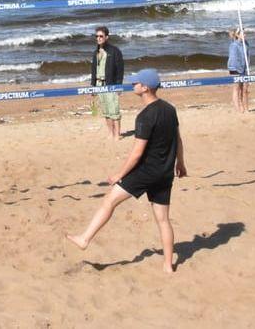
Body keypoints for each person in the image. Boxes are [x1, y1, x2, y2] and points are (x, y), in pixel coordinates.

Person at [65, 68, 186, 274]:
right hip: (165, 173)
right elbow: (178, 138)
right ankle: (167, 265)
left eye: (136, 82)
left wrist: (120, 175)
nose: (133, 84)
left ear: (145, 87)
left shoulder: (145, 116)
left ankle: (85, 239)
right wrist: (180, 163)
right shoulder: (169, 109)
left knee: (109, 200)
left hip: (146, 172)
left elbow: (137, 153)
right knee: (163, 220)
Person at [90, 27, 124, 140]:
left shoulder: (115, 51)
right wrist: (93, 86)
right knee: (105, 110)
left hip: (111, 84)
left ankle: (117, 133)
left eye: (101, 36)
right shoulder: (96, 52)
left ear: (106, 37)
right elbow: (93, 70)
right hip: (99, 84)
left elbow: (120, 69)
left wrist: (119, 85)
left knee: (114, 109)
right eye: (97, 36)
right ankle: (110, 132)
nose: (98, 38)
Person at [227, 30, 250, 115]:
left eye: (245, 33)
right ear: (237, 34)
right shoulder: (234, 45)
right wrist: (240, 71)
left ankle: (246, 107)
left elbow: (248, 57)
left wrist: (246, 69)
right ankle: (238, 108)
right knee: (237, 88)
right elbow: (234, 59)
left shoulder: (246, 44)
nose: (245, 34)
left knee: (245, 88)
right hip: (234, 68)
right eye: (243, 33)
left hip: (244, 68)